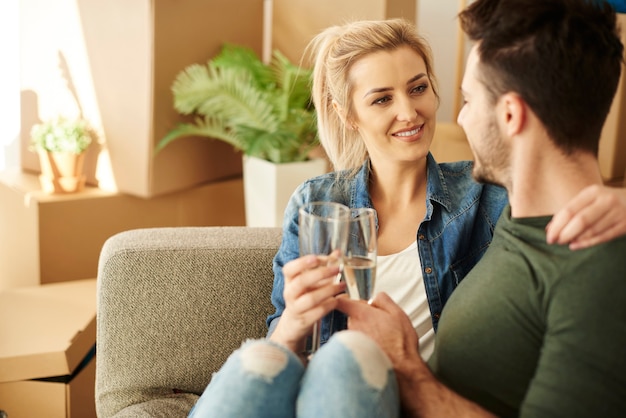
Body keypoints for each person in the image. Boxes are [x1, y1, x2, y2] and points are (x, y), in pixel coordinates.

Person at [188, 12, 626, 418]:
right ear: (349, 115)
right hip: (315, 391)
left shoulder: (486, 198)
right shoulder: (317, 204)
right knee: (256, 360)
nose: (408, 112)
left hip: (385, 392)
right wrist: (293, 324)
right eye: (381, 99)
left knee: (345, 355)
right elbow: (282, 350)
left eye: (418, 88)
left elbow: (558, 180)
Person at [337, 0, 626, 416]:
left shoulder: (597, 270)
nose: (460, 117)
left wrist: (407, 369)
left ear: (510, 115)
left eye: (469, 100)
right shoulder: (521, 215)